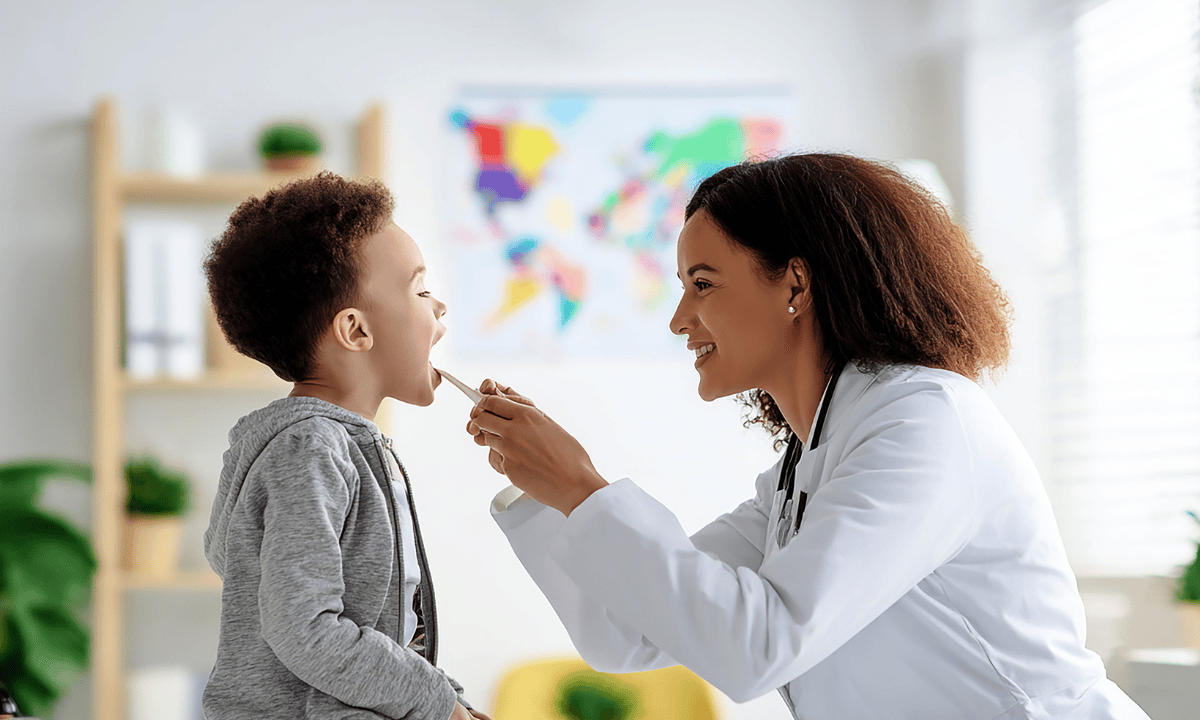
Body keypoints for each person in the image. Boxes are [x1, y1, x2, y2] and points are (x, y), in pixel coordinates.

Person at [465, 154, 1151, 719]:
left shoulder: (927, 425)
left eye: (702, 284)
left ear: (795, 283)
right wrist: (546, 492)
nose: (679, 319)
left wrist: (583, 488)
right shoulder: (806, 467)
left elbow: (759, 645)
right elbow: (628, 635)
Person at [202, 173, 488, 720]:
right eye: (421, 289)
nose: (440, 307)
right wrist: (437, 705)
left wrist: (450, 701)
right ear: (356, 331)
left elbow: (389, 625)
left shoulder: (336, 447)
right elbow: (305, 628)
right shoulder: (310, 450)